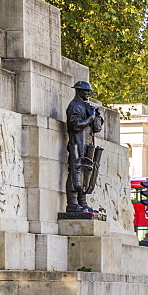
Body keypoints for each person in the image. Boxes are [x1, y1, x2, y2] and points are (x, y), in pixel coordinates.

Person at [64, 81, 104, 213]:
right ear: (79, 91)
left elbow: (97, 128)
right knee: (76, 172)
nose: (87, 94)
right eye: (85, 91)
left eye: (88, 91)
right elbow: (74, 126)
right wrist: (90, 118)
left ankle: (82, 201)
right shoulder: (74, 106)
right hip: (77, 143)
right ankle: (72, 203)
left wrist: (96, 117)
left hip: (87, 143)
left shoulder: (86, 106)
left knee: (87, 172)